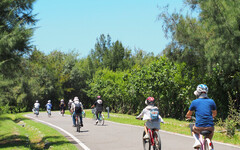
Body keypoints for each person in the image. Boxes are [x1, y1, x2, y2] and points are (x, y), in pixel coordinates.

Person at [186, 84, 217, 148]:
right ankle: (209, 144)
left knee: (193, 128)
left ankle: (197, 141)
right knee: (210, 135)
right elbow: (214, 113)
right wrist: (211, 117)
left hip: (199, 127)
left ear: (198, 93)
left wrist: (188, 116)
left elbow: (188, 114)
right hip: (210, 127)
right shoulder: (211, 101)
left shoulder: (194, 102)